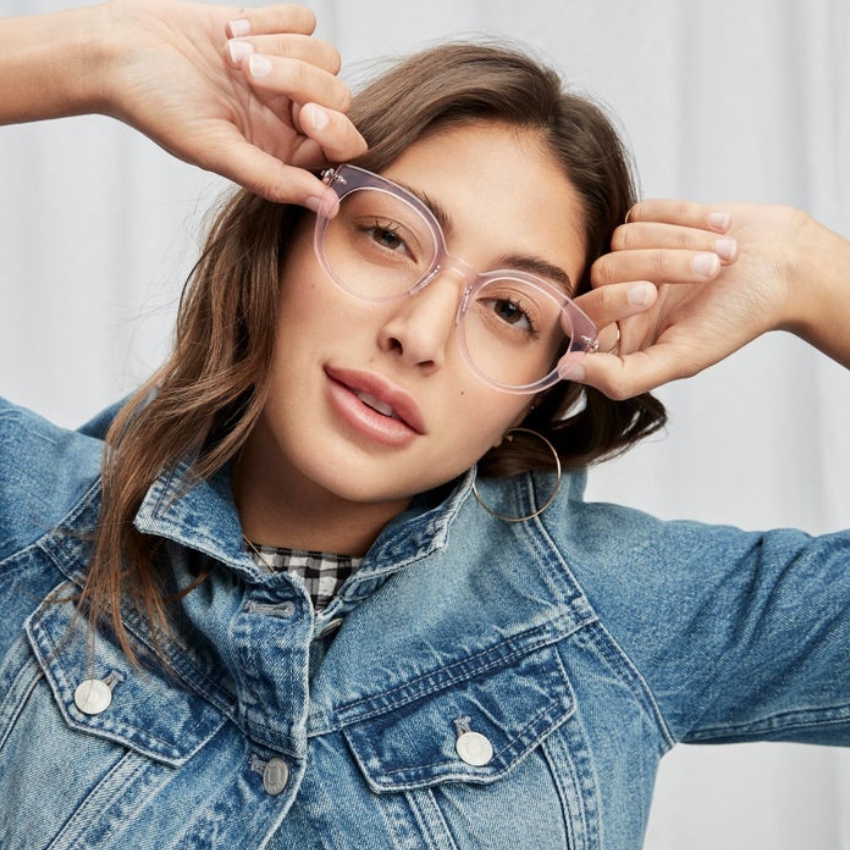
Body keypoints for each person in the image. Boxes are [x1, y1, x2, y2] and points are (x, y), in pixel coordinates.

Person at [1, 2, 849, 849]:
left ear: (543, 388)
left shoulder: (620, 612)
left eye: (512, 310)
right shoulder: (29, 524)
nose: (420, 334)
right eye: (390, 238)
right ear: (287, 236)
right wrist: (86, 54)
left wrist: (811, 272)